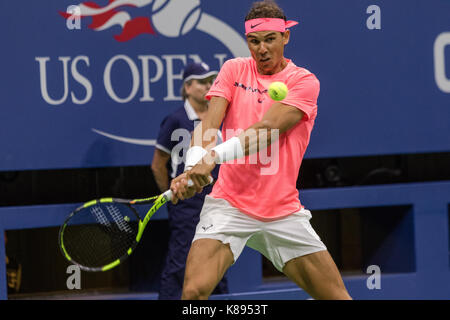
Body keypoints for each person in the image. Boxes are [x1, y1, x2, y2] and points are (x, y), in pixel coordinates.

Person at [169, 1, 352, 300]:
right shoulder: (233, 70)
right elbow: (207, 126)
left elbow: (266, 131)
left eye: (269, 39)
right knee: (193, 293)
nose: (261, 49)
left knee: (336, 298)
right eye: (254, 41)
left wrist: (211, 158)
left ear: (286, 37)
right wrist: (192, 169)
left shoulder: (303, 82)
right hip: (229, 204)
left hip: (282, 211)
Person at [151, 62, 229, 300]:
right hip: (187, 204)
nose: (208, 85)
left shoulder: (220, 117)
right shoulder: (175, 120)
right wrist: (172, 194)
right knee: (180, 263)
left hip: (218, 200)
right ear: (187, 87)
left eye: (210, 81)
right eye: (202, 81)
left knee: (218, 263)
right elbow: (158, 163)